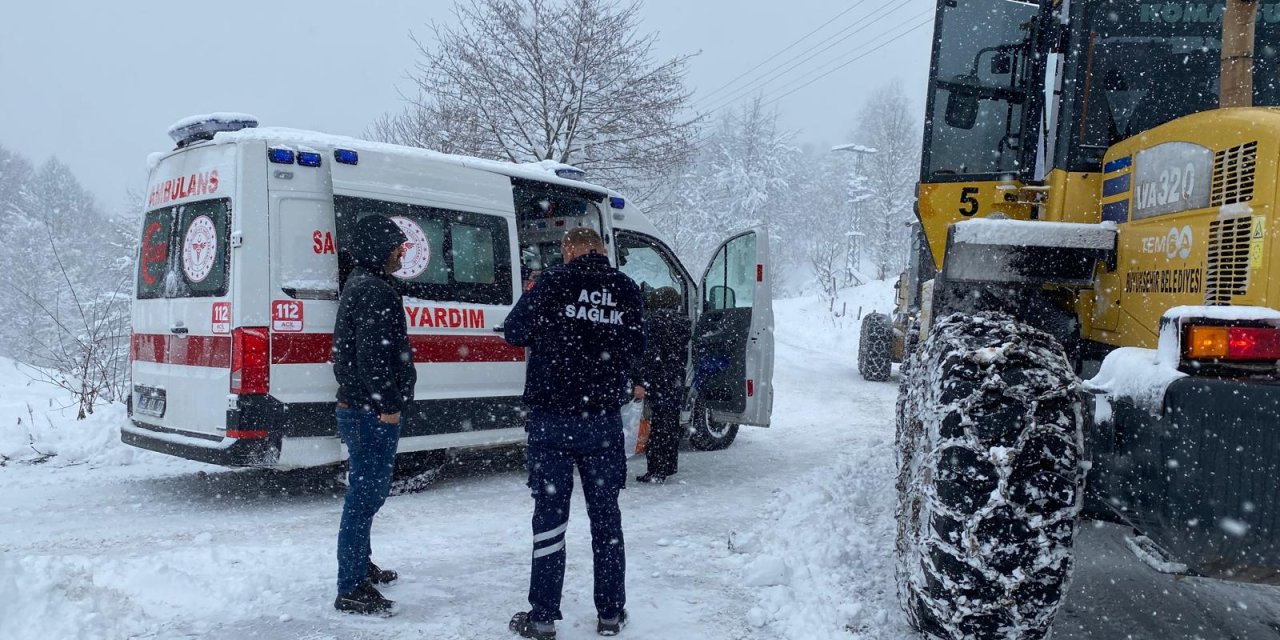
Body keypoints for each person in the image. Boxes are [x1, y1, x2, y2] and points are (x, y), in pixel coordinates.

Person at [503, 227, 645, 639]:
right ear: (600, 250)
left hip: (552, 420)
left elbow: (514, 332)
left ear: (569, 250)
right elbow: (638, 347)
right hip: (602, 422)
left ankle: (543, 617)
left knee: (550, 519)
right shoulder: (626, 288)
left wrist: (552, 331)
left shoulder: (551, 283)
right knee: (606, 520)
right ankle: (610, 615)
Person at [330, 215, 415, 615]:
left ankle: (360, 566)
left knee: (365, 494)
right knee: (365, 498)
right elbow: (373, 358)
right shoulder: (374, 291)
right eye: (398, 247)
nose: (402, 254)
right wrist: (389, 406)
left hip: (361, 407)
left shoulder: (362, 283)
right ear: (379, 248)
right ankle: (351, 587)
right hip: (370, 412)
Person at [634, 287, 691, 484]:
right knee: (669, 426)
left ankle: (656, 469)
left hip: (659, 380)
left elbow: (649, 354)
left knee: (658, 427)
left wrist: (642, 379)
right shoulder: (682, 322)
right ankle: (666, 467)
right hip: (675, 380)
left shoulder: (654, 321)